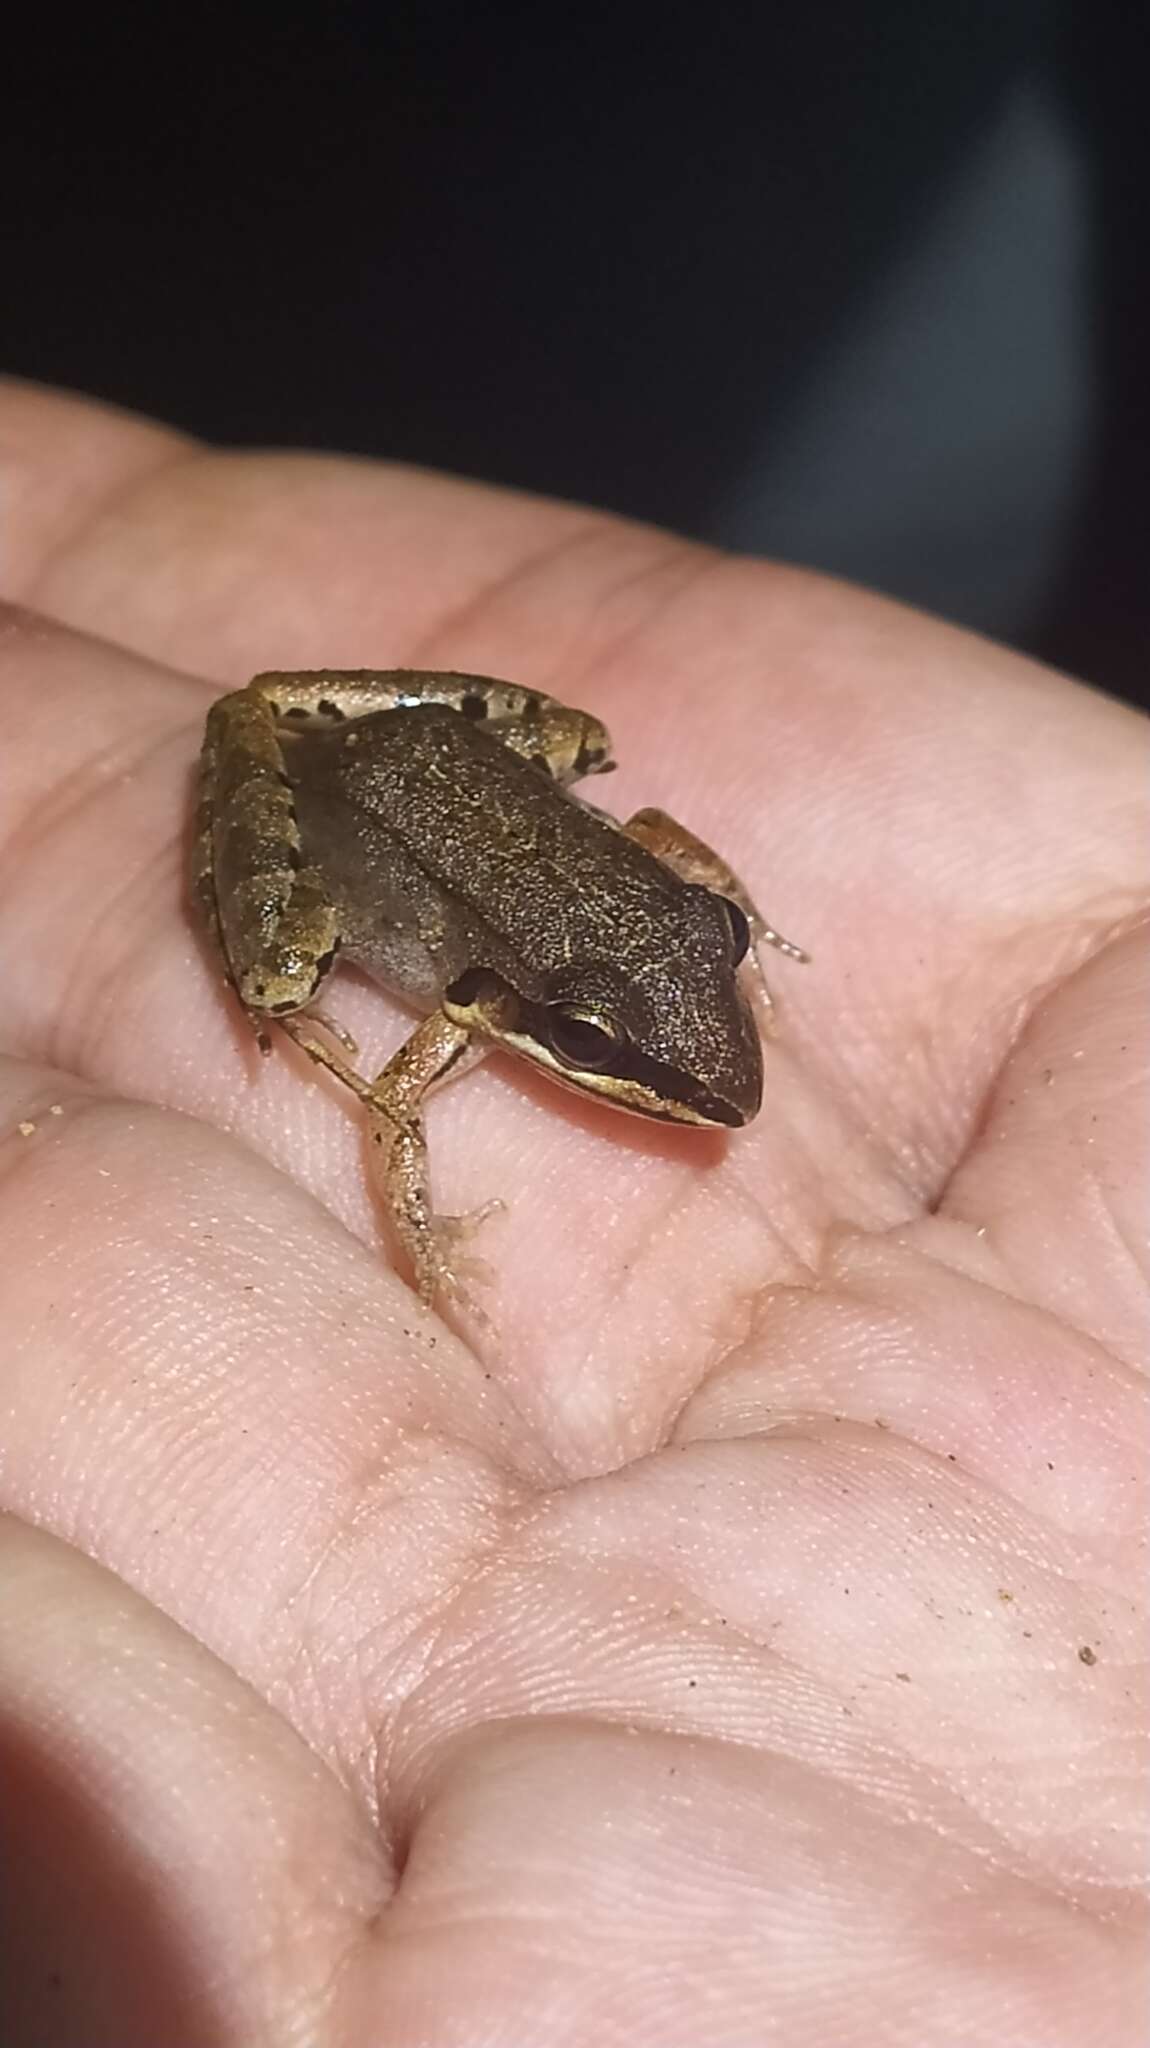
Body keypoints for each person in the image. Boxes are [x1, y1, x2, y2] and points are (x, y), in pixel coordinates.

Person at [1, 377, 1145, 2046]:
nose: (695, 1087)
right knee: (290, 966)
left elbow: (668, 854)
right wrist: (428, 1242)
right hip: (360, 799)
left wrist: (718, 926)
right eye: (616, 1053)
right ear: (539, 1019)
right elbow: (395, 1106)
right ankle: (277, 950)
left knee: (566, 783)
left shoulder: (667, 922)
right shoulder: (476, 1008)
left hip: (440, 774)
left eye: (717, 956)